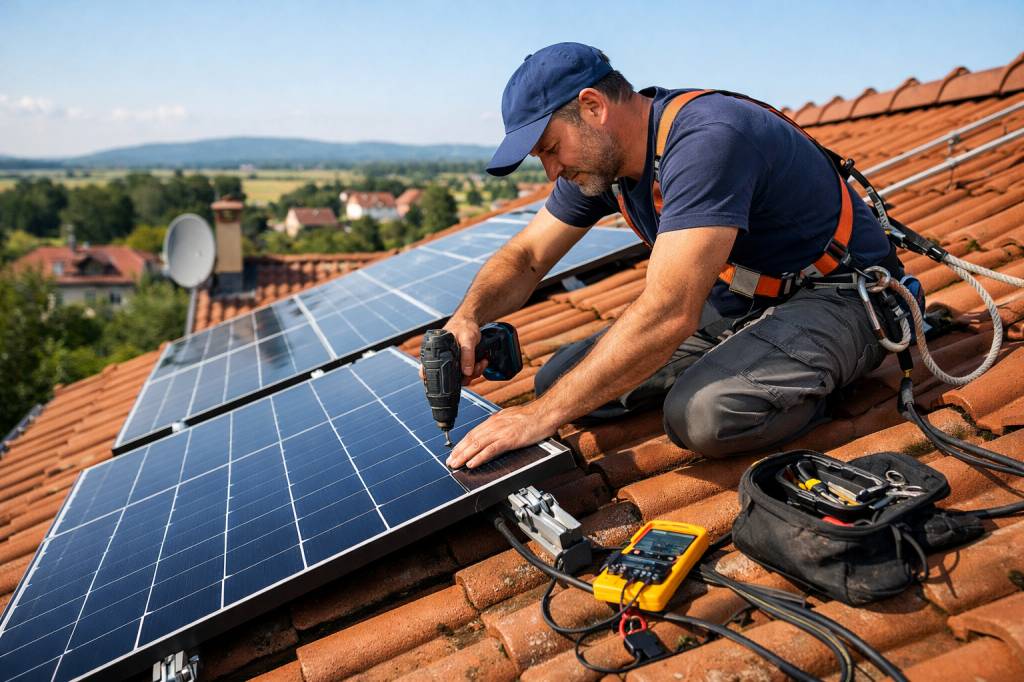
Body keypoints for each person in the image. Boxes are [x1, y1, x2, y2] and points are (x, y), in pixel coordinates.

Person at [443, 42, 901, 470]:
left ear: (593, 107)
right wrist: (468, 316)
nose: (552, 169)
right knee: (559, 379)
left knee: (702, 417)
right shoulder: (608, 163)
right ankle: (755, 357)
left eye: (550, 148)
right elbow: (526, 255)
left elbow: (668, 312)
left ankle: (817, 386)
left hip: (845, 296)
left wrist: (537, 418)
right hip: (748, 300)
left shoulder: (707, 140)